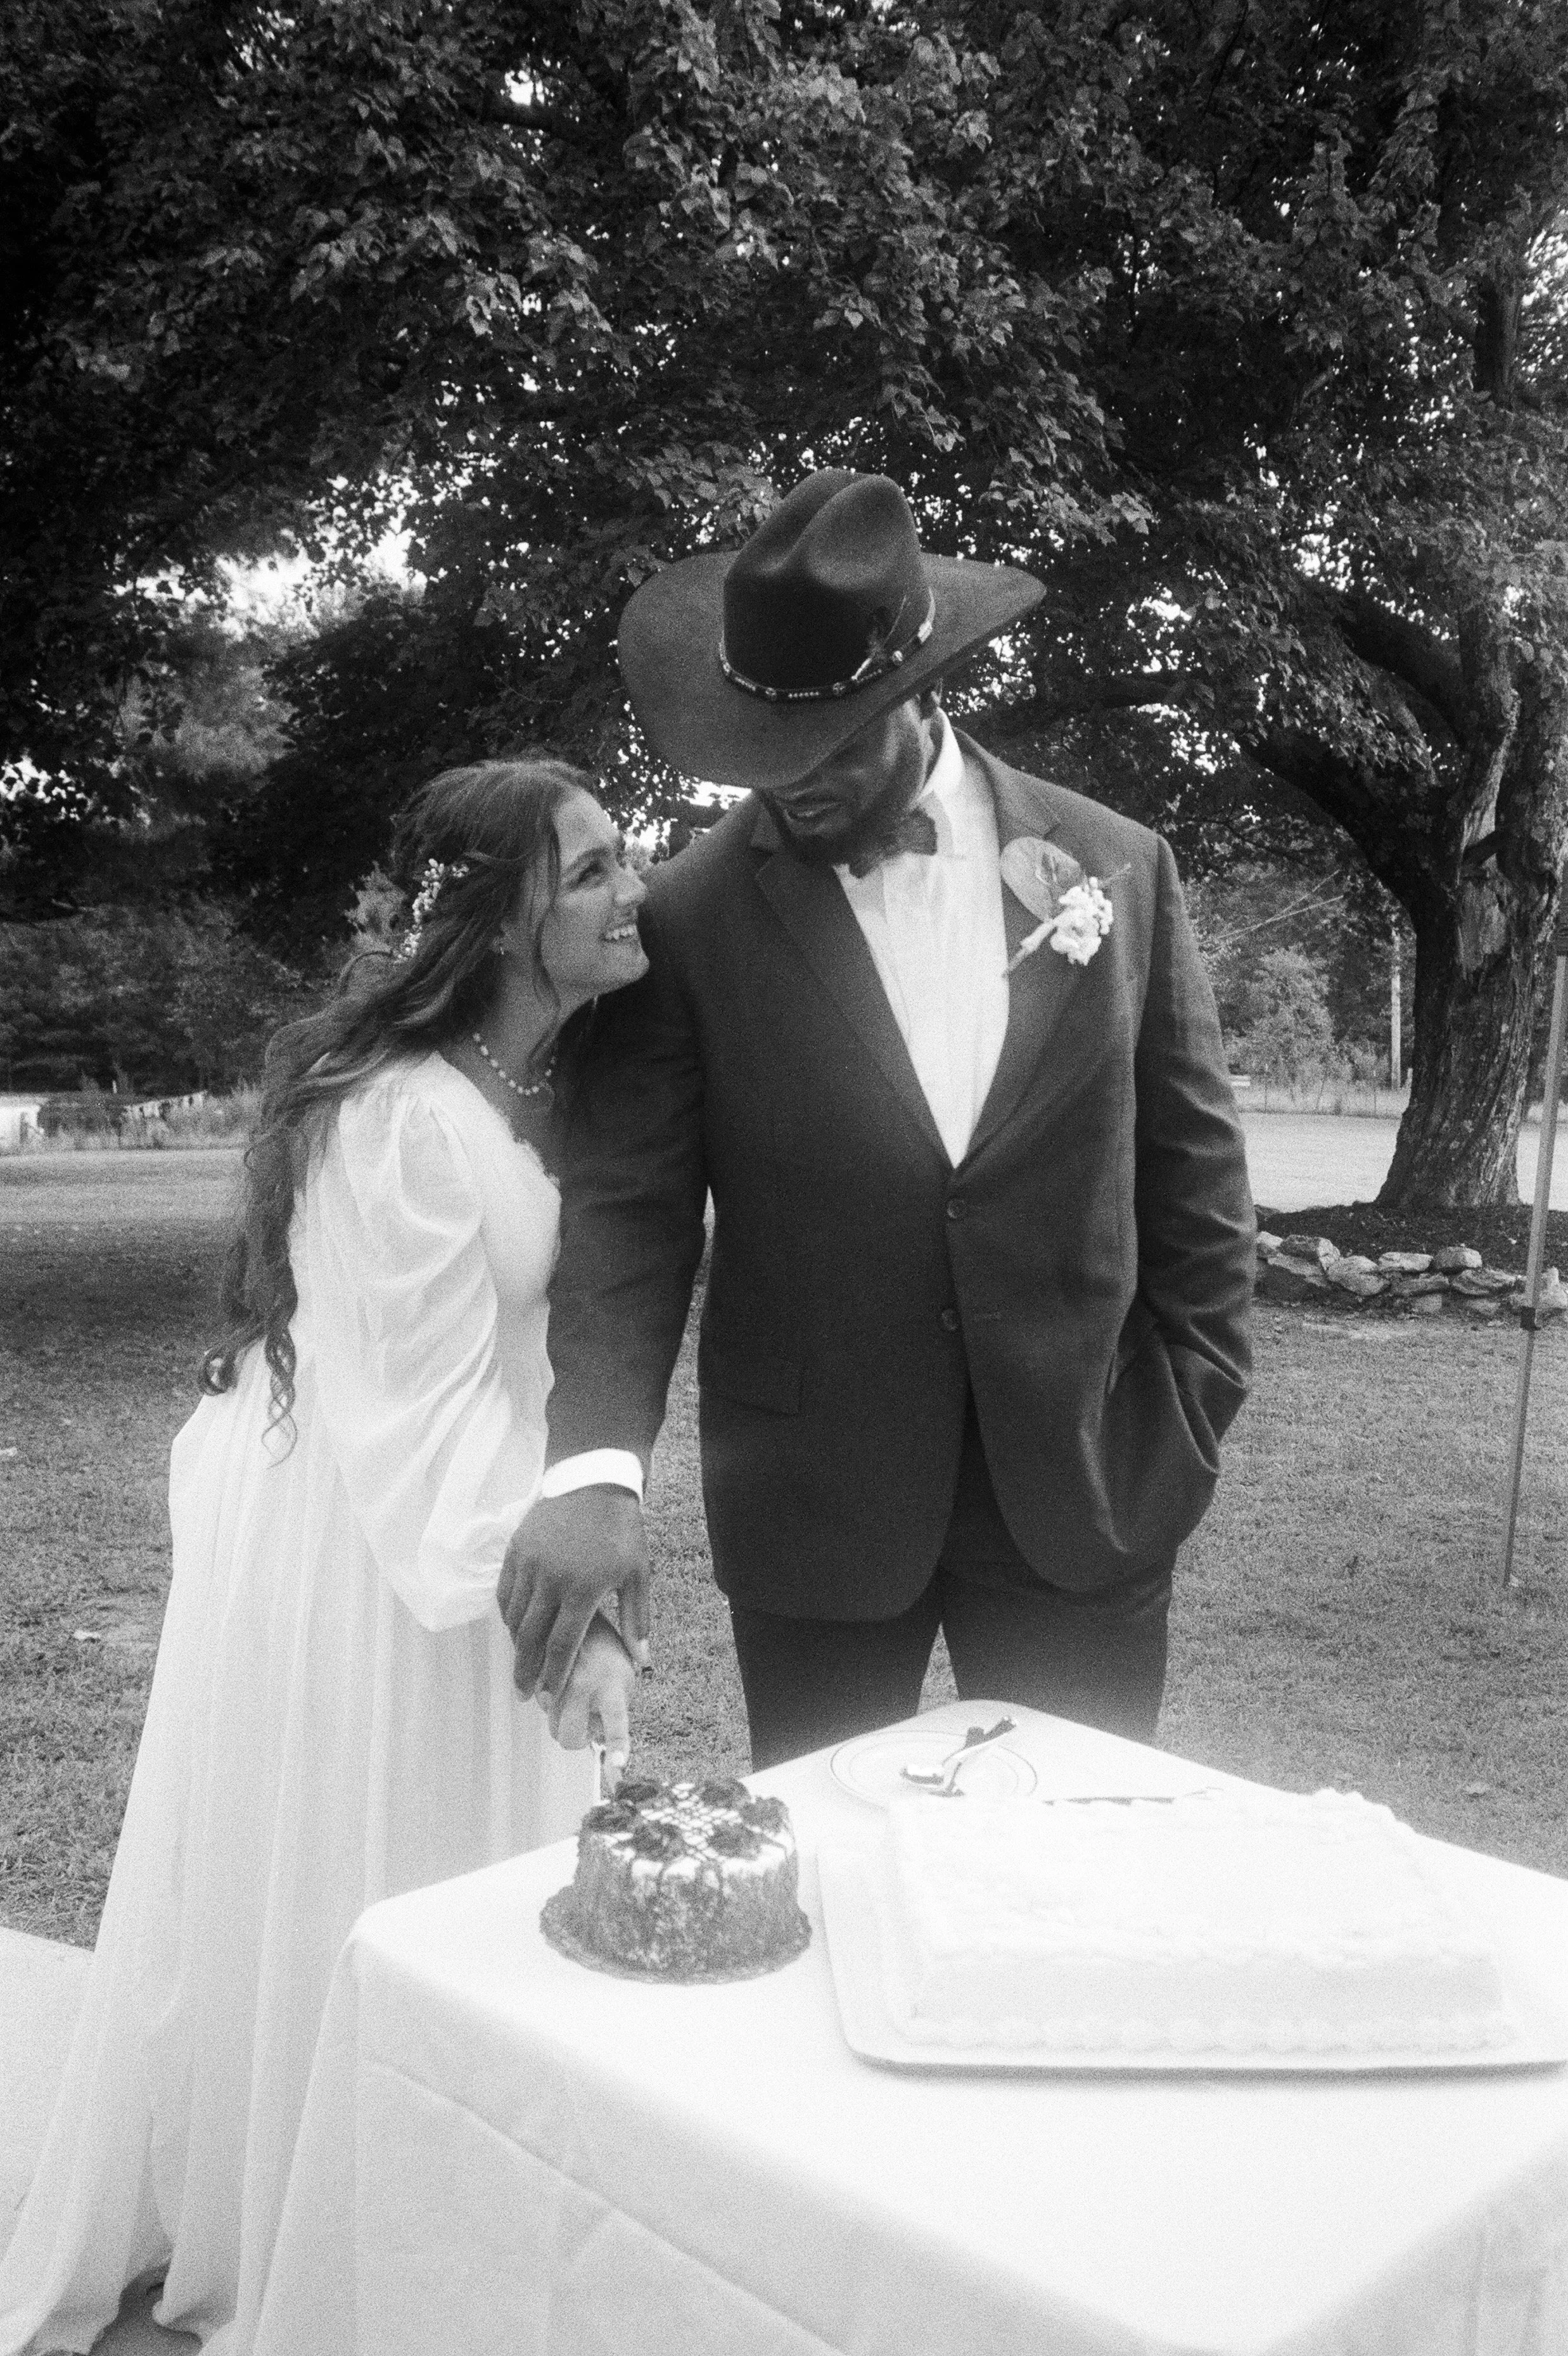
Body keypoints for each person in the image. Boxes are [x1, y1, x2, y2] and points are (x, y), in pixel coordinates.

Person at [0, 760, 646, 2356]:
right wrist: (566, 1609)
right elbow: (412, 1407)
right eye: (590, 870)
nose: (633, 889)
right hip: (363, 1535)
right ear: (495, 919)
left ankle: (450, 2188)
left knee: (464, 1869)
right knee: (364, 1856)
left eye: (622, 857)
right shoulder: (395, 1116)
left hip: (472, 1507)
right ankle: (317, 2207)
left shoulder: (555, 1076)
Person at [500, 469, 1255, 1770]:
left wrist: (1188, 1405)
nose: (787, 784)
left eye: (827, 745)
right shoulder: (688, 917)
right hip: (813, 1510)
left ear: (922, 695)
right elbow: (629, 1215)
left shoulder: (1119, 867)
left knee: (1074, 1863)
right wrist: (594, 1468)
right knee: (835, 1864)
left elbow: (1193, 1171)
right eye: (759, 750)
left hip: (1089, 1489)